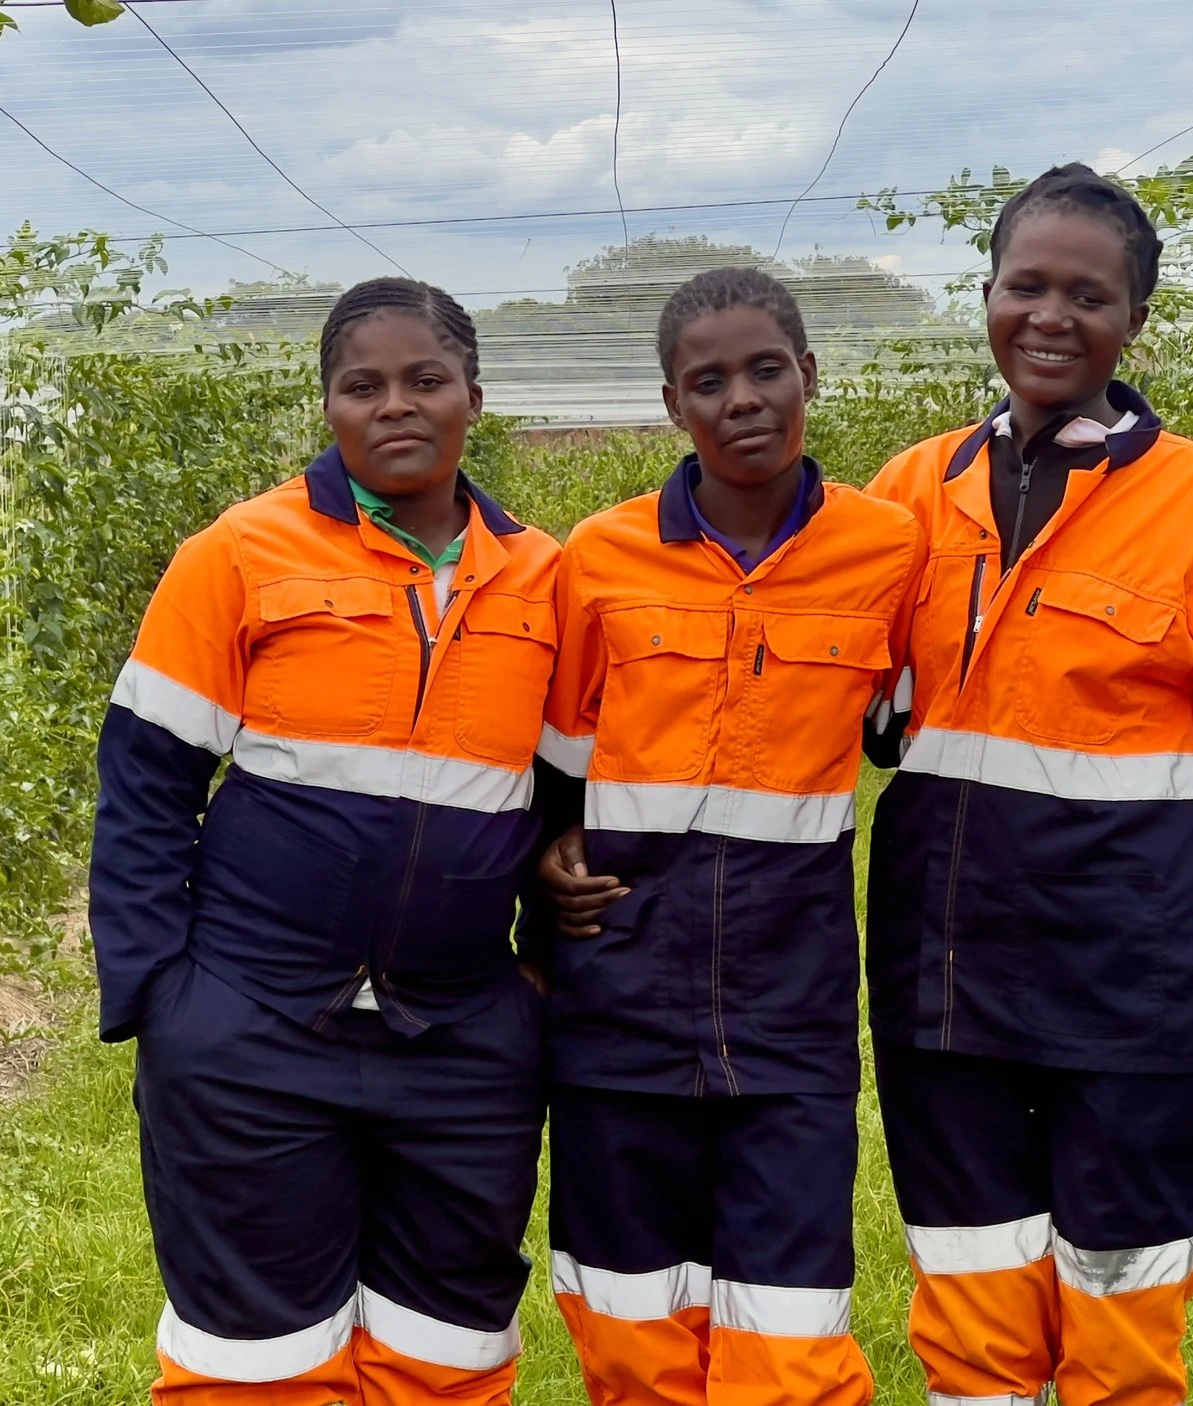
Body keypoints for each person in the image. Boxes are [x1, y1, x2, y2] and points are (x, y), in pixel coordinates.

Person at [861, 164, 1193, 1406]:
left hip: (1137, 994)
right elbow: (850, 712)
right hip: (945, 991)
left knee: (1121, 1328)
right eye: (1026, 285)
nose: (1051, 316)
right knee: (972, 1316)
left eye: (1089, 295)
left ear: (1135, 320)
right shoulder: (910, 495)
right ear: (985, 294)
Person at [89, 278, 561, 1406]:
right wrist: (164, 998)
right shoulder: (240, 553)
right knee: (257, 1363)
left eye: (425, 379)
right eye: (362, 385)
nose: (395, 405)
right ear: (329, 406)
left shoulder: (546, 579)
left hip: (460, 1039)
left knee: (447, 1356)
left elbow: (572, 797)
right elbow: (145, 784)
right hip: (249, 1027)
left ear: (474, 396)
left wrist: (538, 982)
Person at [534, 267, 920, 1406]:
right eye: (708, 382)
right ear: (673, 404)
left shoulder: (890, 552)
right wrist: (540, 873)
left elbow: (909, 726)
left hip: (790, 1009)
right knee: (629, 1321)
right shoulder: (598, 557)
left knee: (789, 1335)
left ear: (810, 375)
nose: (742, 398)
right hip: (616, 998)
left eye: (766, 370)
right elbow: (553, 770)